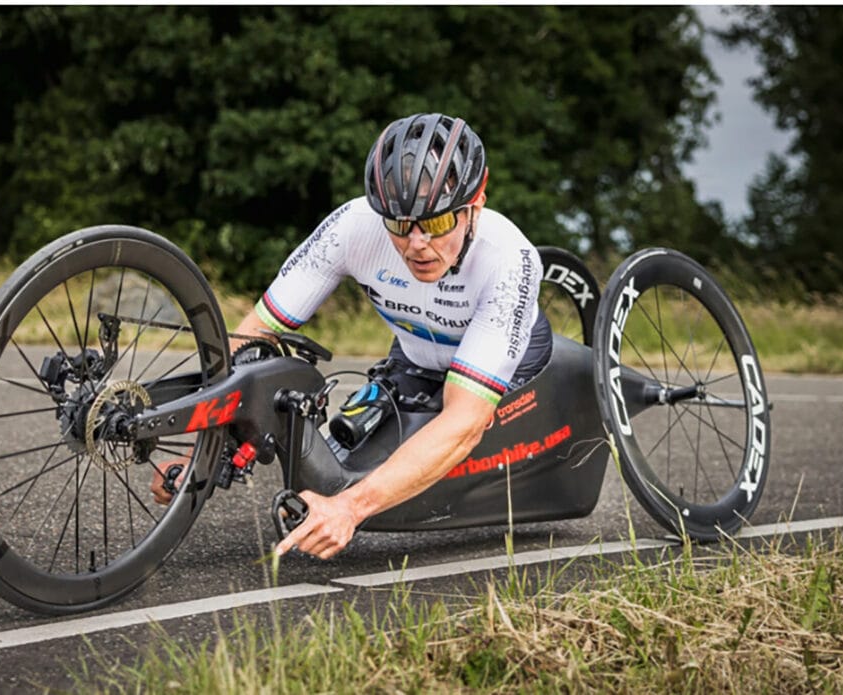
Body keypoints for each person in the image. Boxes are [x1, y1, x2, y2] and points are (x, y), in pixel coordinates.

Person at [152, 112, 551, 560]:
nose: (416, 243)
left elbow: (464, 422)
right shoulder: (351, 227)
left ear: (475, 205)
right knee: (344, 452)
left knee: (418, 467)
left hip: (512, 361)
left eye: (436, 224)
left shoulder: (508, 259)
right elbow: (255, 334)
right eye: (399, 224)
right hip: (415, 360)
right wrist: (196, 454)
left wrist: (349, 508)